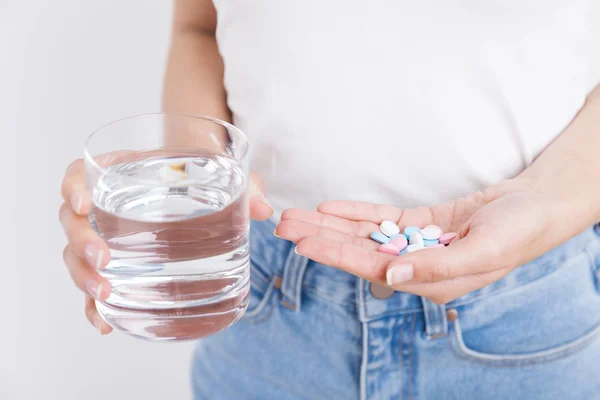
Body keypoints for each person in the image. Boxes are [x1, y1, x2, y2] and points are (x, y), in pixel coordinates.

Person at [59, 1, 600, 399]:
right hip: (267, 312)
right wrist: (198, 174)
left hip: (527, 317)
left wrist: (541, 200)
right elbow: (199, 25)